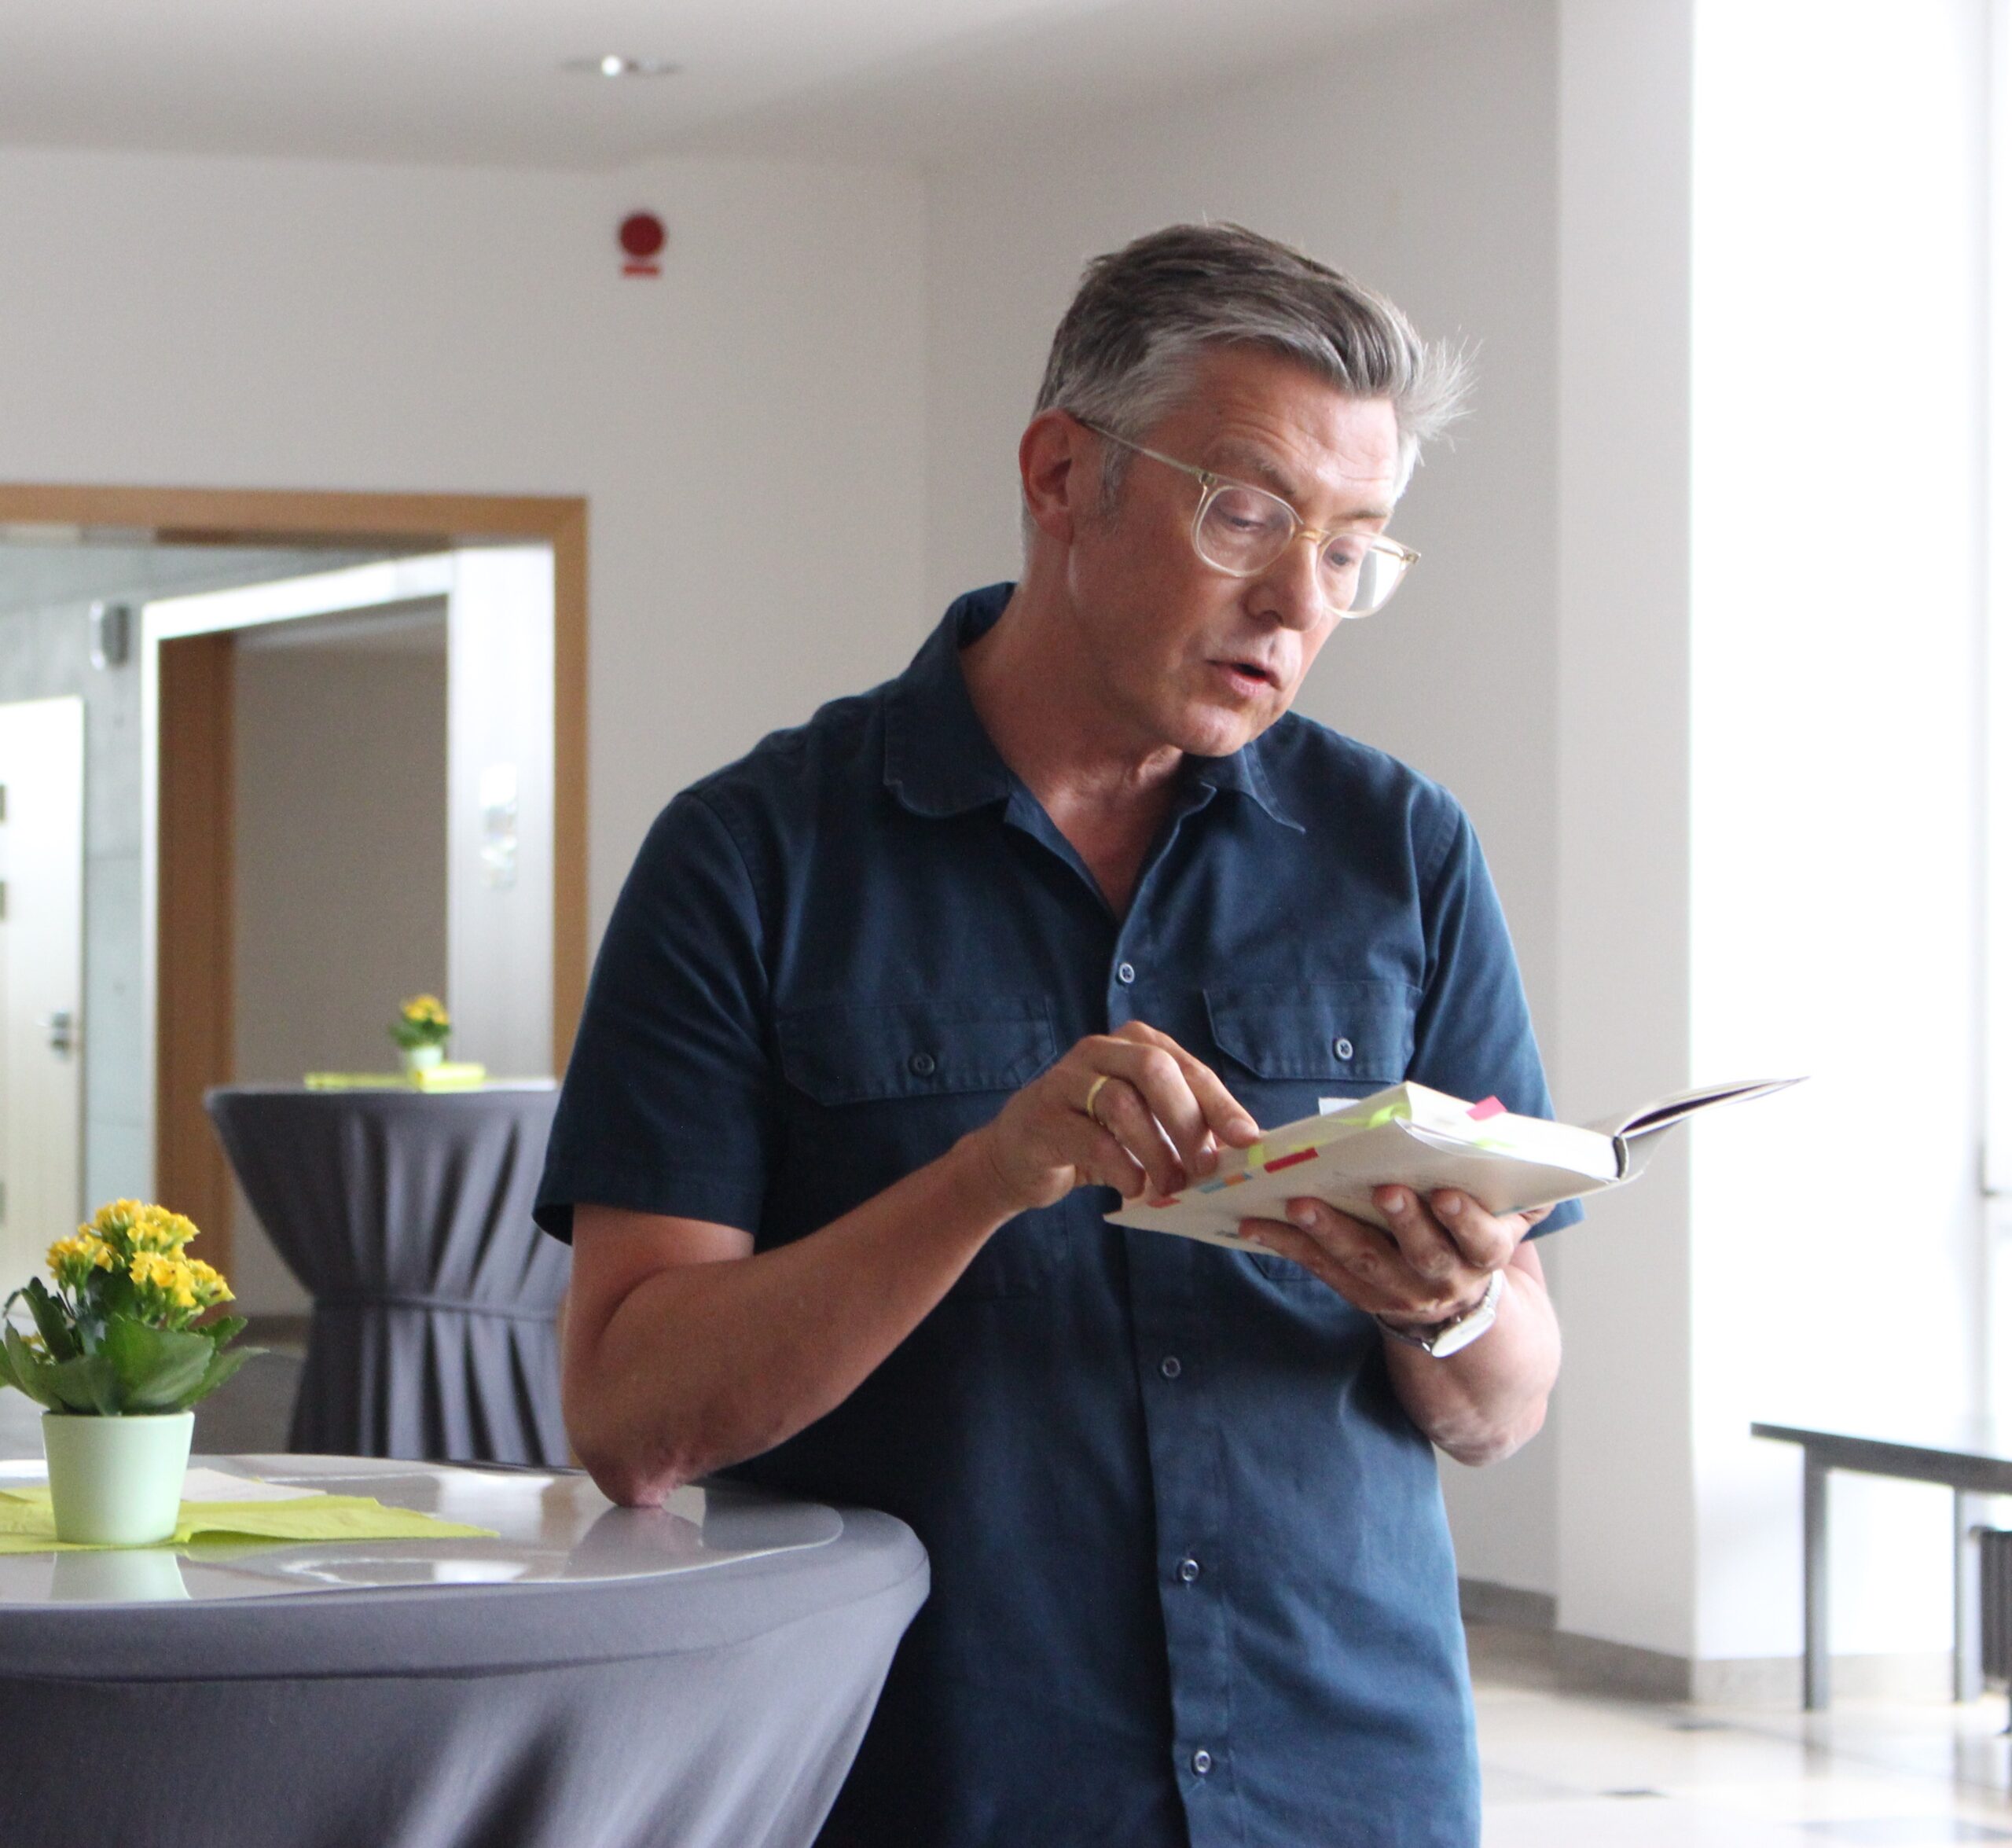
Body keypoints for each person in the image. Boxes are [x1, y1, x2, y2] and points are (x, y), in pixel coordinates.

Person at [535, 222, 1573, 1848]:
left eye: (1352, 545)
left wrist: (1446, 1315)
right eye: (1245, 512)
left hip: (1342, 1782)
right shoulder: (751, 858)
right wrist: (980, 1178)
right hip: (926, 1780)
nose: (1297, 600)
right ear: (1057, 474)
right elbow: (626, 1420)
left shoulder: (1403, 851)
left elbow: (1507, 1397)